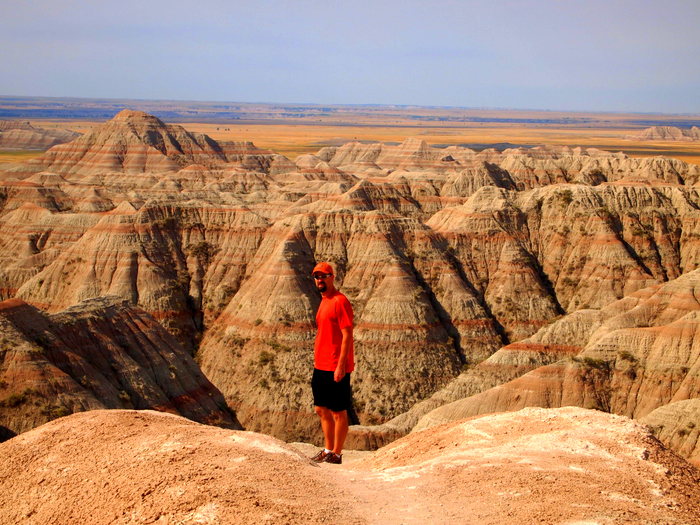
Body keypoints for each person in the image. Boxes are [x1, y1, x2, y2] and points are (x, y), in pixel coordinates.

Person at [309, 261, 354, 465]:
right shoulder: (324, 300)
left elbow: (347, 335)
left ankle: (337, 453)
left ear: (331, 277)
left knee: (338, 411)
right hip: (321, 364)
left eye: (323, 276)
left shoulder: (340, 301)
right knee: (321, 409)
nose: (320, 280)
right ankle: (328, 449)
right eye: (317, 277)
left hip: (335, 365)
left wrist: (341, 365)